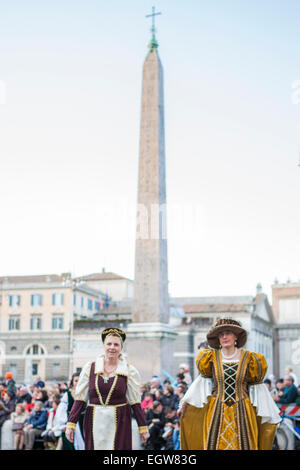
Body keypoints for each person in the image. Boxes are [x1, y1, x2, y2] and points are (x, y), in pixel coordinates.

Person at [178, 318, 281, 450]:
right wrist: (185, 404)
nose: (224, 336)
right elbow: (200, 385)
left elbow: (258, 390)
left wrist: (270, 411)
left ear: (236, 336)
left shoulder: (251, 359)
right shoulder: (210, 358)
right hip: (216, 410)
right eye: (221, 334)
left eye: (228, 333)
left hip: (243, 410)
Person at [65, 328, 149, 450]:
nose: (112, 347)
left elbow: (135, 402)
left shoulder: (129, 371)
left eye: (116, 344)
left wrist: (143, 427)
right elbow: (80, 399)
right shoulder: (90, 368)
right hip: (94, 420)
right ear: (103, 346)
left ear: (121, 348)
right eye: (109, 344)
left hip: (120, 421)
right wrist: (71, 424)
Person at [55, 372, 85, 450]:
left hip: (84, 422)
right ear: (72, 382)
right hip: (70, 423)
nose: (78, 383)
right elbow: (62, 410)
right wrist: (63, 424)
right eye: (76, 381)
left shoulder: (87, 394)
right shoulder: (68, 394)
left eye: (80, 380)